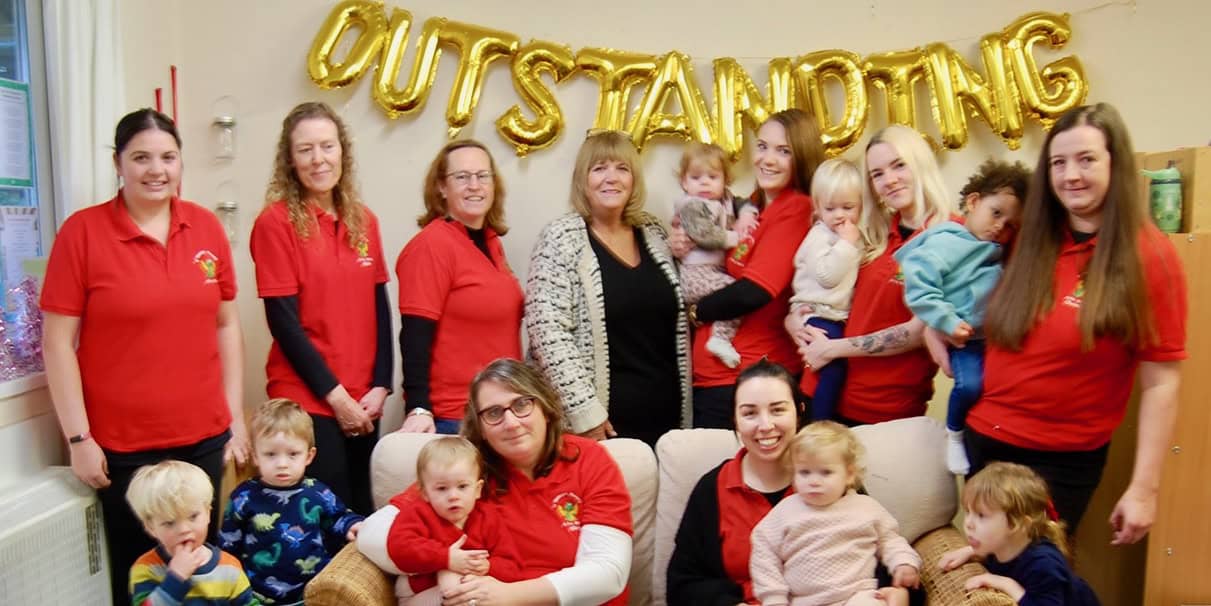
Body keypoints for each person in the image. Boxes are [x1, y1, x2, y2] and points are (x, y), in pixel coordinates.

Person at [40, 108, 249, 604]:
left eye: (168, 157)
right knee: (144, 584)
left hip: (202, 441)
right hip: (123, 450)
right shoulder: (82, 233)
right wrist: (79, 438)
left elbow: (226, 324)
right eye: (141, 158)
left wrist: (235, 416)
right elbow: (56, 343)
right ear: (118, 163)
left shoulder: (205, 228)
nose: (156, 170)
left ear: (180, 163)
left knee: (203, 577)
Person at [967, 103, 1187, 536]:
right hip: (983, 443)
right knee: (980, 589)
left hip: (1057, 463)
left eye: (1087, 160)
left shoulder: (1151, 257)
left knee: (1035, 586)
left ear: (1116, 163)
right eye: (1058, 163)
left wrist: (1145, 489)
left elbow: (1162, 382)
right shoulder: (1029, 237)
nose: (1071, 176)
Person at [359, 358, 633, 606]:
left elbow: (608, 573)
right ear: (481, 427)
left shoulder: (588, 459)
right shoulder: (465, 471)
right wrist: (445, 560)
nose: (511, 423)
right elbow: (373, 534)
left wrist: (508, 595)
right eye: (493, 413)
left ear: (546, 408)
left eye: (522, 404)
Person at [250, 101, 392, 516]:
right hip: (309, 400)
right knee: (318, 523)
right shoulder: (275, 223)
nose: (318, 160)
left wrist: (381, 385)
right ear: (290, 161)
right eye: (305, 150)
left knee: (360, 516)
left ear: (342, 152)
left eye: (327, 147)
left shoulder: (364, 220)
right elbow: (284, 323)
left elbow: (380, 307)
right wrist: (337, 399)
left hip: (365, 396)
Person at [526, 130, 689, 446]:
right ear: (582, 180)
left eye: (622, 168)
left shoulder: (654, 232)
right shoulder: (560, 239)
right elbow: (547, 333)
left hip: (668, 420)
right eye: (599, 168)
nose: (611, 178)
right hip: (601, 427)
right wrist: (585, 413)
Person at [793, 124, 957, 426]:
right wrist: (797, 325)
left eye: (898, 165)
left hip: (886, 409)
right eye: (877, 174)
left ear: (919, 163)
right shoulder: (872, 232)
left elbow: (918, 332)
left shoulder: (950, 237)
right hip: (822, 389)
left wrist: (833, 348)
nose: (889, 180)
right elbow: (817, 288)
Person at [680, 109, 825, 429]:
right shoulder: (753, 204)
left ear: (800, 157)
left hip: (751, 377)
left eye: (783, 151)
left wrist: (695, 312)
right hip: (716, 375)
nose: (767, 159)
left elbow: (754, 291)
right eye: (762, 146)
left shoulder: (796, 208)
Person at [894, 159, 1028, 474]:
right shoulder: (945, 242)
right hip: (963, 338)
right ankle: (954, 434)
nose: (1000, 228)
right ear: (973, 202)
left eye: (1010, 225)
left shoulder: (994, 248)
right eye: (996, 214)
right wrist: (945, 321)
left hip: (992, 338)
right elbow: (920, 290)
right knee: (968, 387)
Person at [396, 139, 523, 435]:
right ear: (442, 187)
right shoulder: (432, 245)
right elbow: (415, 336)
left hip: (499, 412)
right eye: (462, 177)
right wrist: (418, 407)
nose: (474, 185)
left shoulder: (491, 243)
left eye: (483, 176)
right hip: (455, 417)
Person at [665, 359, 799, 605]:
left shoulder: (832, 472)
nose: (766, 425)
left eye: (778, 410)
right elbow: (681, 586)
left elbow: (874, 561)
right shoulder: (712, 488)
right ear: (735, 421)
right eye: (750, 413)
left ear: (800, 412)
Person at [749, 421, 921, 606]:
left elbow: (890, 540)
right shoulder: (785, 511)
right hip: (803, 601)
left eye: (826, 472)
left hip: (857, 596)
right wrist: (774, 598)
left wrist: (904, 562)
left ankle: (894, 598)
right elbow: (764, 554)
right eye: (805, 472)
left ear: (849, 474)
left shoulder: (866, 508)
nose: (814, 481)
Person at [220, 399, 364, 605]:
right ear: (255, 456)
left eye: (293, 454)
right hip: (256, 596)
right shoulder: (243, 497)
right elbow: (228, 545)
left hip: (311, 592)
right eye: (270, 454)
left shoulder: (318, 492)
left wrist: (352, 525)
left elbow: (339, 518)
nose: (282, 464)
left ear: (309, 455)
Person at [381, 437, 523, 605]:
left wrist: (488, 567)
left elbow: (512, 565)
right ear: (425, 493)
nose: (453, 496)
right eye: (442, 488)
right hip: (419, 593)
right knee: (448, 572)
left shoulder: (489, 517)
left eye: (462, 486)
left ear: (477, 490)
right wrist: (446, 558)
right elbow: (399, 548)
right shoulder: (417, 513)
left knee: (471, 583)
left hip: (474, 589)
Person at [938, 462, 1099, 605]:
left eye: (981, 515)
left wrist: (1006, 584)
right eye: (968, 512)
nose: (968, 523)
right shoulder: (1004, 544)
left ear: (1018, 524)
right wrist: (969, 551)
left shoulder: (1043, 564)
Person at [786, 158, 870, 422]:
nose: (839, 215)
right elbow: (827, 276)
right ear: (818, 208)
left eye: (848, 207)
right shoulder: (819, 236)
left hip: (833, 314)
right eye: (830, 208)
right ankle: (818, 424)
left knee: (829, 370)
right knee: (832, 367)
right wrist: (846, 243)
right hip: (816, 313)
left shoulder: (849, 235)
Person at [673, 141, 759, 368]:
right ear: (684, 181)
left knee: (733, 293)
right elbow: (705, 235)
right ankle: (720, 339)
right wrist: (735, 237)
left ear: (725, 180)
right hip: (695, 274)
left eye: (712, 177)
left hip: (712, 271)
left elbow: (743, 202)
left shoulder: (725, 200)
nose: (704, 182)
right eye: (696, 177)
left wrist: (748, 214)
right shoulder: (692, 205)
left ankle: (720, 338)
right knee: (735, 295)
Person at [126, 460, 256, 605]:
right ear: (151, 527)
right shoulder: (146, 569)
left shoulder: (229, 568)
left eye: (193, 516)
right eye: (169, 523)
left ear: (208, 513)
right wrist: (175, 579)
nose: (184, 530)